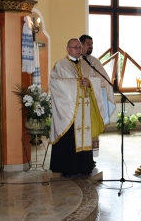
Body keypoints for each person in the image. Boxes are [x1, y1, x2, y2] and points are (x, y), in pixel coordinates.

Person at [49, 38, 106, 177]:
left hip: (84, 110)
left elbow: (95, 79)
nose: (78, 50)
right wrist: (76, 83)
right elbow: (54, 83)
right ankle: (69, 168)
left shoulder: (86, 64)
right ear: (67, 48)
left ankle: (84, 166)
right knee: (70, 139)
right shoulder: (60, 65)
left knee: (84, 136)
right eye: (75, 47)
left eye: (80, 47)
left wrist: (90, 82)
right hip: (68, 110)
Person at [79, 34, 116, 161]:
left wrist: (90, 82)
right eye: (88, 44)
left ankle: (89, 159)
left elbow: (105, 80)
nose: (91, 46)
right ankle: (79, 158)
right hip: (77, 103)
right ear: (81, 44)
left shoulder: (94, 61)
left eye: (92, 44)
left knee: (91, 129)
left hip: (92, 103)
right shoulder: (75, 61)